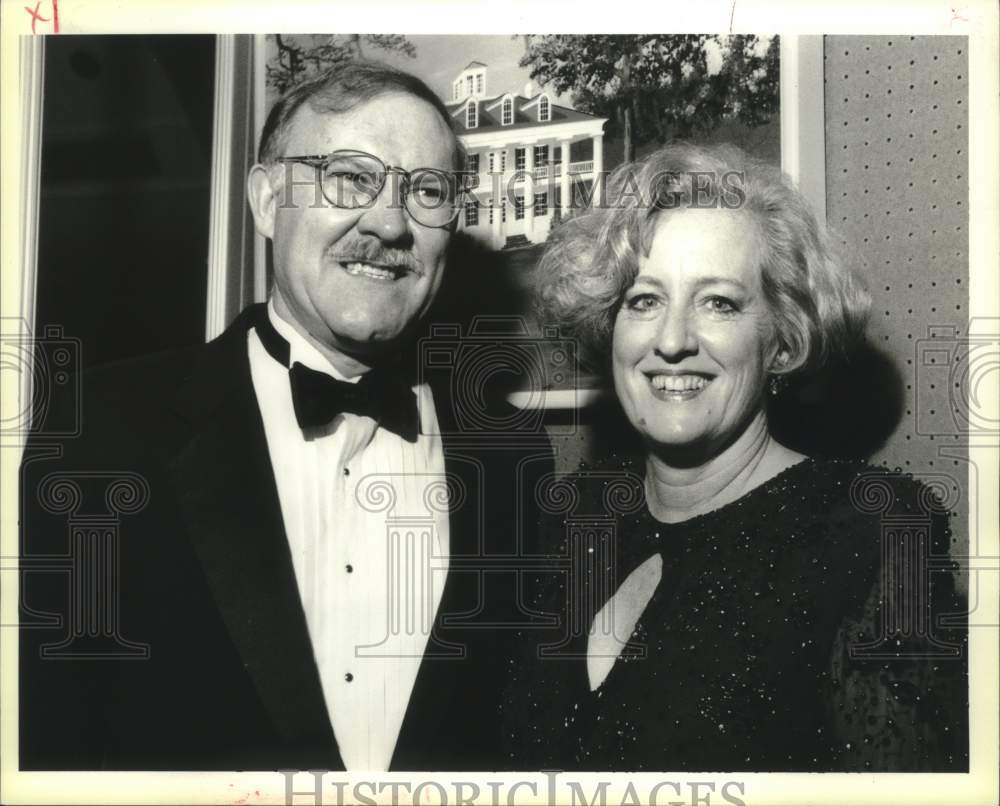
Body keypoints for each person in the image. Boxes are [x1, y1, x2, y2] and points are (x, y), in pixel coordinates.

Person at [20, 61, 548, 772]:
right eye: (350, 177)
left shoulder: (512, 453)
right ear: (267, 201)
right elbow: (48, 739)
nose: (390, 223)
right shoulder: (103, 430)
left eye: (426, 191)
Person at [507, 143, 968, 771]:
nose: (671, 341)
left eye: (718, 302)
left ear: (782, 340)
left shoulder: (876, 535)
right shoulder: (572, 518)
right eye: (644, 300)